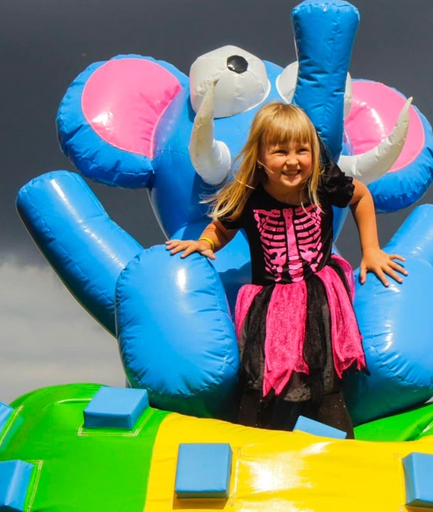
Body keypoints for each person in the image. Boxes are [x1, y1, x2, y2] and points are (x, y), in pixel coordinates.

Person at [166, 102, 406, 438]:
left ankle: (339, 444)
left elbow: (361, 196)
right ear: (261, 156)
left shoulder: (322, 182)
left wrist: (371, 250)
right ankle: (248, 441)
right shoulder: (250, 193)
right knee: (261, 379)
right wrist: (205, 243)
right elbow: (222, 226)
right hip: (271, 300)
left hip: (319, 294)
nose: (293, 161)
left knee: (323, 374)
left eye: (302, 150)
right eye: (280, 151)